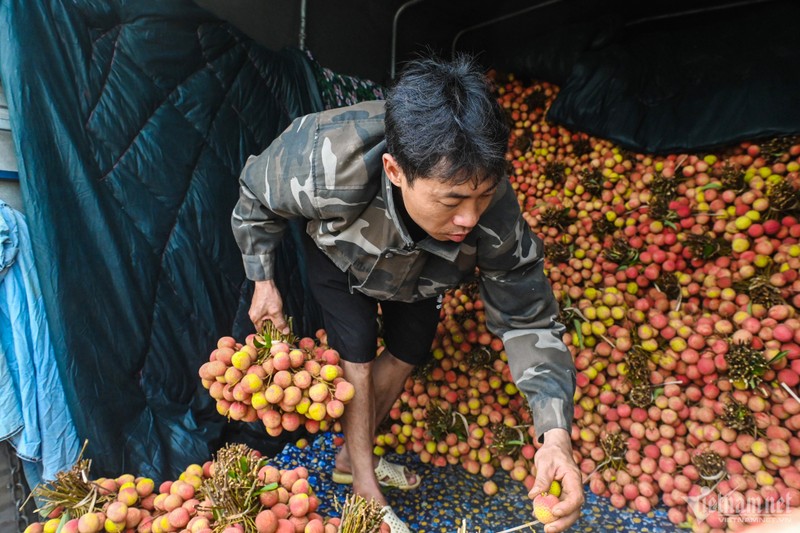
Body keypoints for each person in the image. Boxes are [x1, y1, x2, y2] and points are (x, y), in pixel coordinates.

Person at [232, 53, 583, 533]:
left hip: (424, 277)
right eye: (452, 200)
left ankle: (347, 458)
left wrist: (555, 437)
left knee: (407, 350)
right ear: (396, 171)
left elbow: (529, 320)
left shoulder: (493, 211)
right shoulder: (325, 158)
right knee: (354, 353)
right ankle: (363, 487)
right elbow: (255, 194)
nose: (470, 218)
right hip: (343, 258)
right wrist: (263, 281)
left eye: (482, 196)